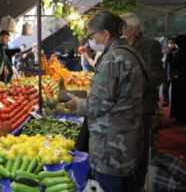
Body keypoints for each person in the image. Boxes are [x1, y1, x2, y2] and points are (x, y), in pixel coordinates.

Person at [66, 11, 145, 192]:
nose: (91, 40)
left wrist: (78, 103)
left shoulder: (112, 59)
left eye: (92, 35)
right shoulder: (130, 52)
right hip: (128, 137)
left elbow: (98, 105)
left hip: (111, 146)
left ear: (106, 34)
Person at [120, 12, 166, 189]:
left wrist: (132, 85)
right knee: (124, 143)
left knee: (139, 143)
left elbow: (158, 75)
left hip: (142, 105)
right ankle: (126, 174)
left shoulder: (149, 45)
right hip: (122, 106)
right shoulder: (120, 46)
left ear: (131, 29)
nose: (119, 30)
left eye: (121, 26)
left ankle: (139, 180)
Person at [169, 34, 186, 123]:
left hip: (181, 79)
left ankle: (181, 117)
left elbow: (175, 64)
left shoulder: (180, 52)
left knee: (181, 98)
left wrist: (170, 55)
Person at [162, 38, 176, 107]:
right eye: (169, 43)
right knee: (165, 88)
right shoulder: (165, 52)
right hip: (165, 72)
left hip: (173, 73)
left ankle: (174, 103)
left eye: (172, 42)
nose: (170, 44)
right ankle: (165, 101)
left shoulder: (176, 52)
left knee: (174, 89)